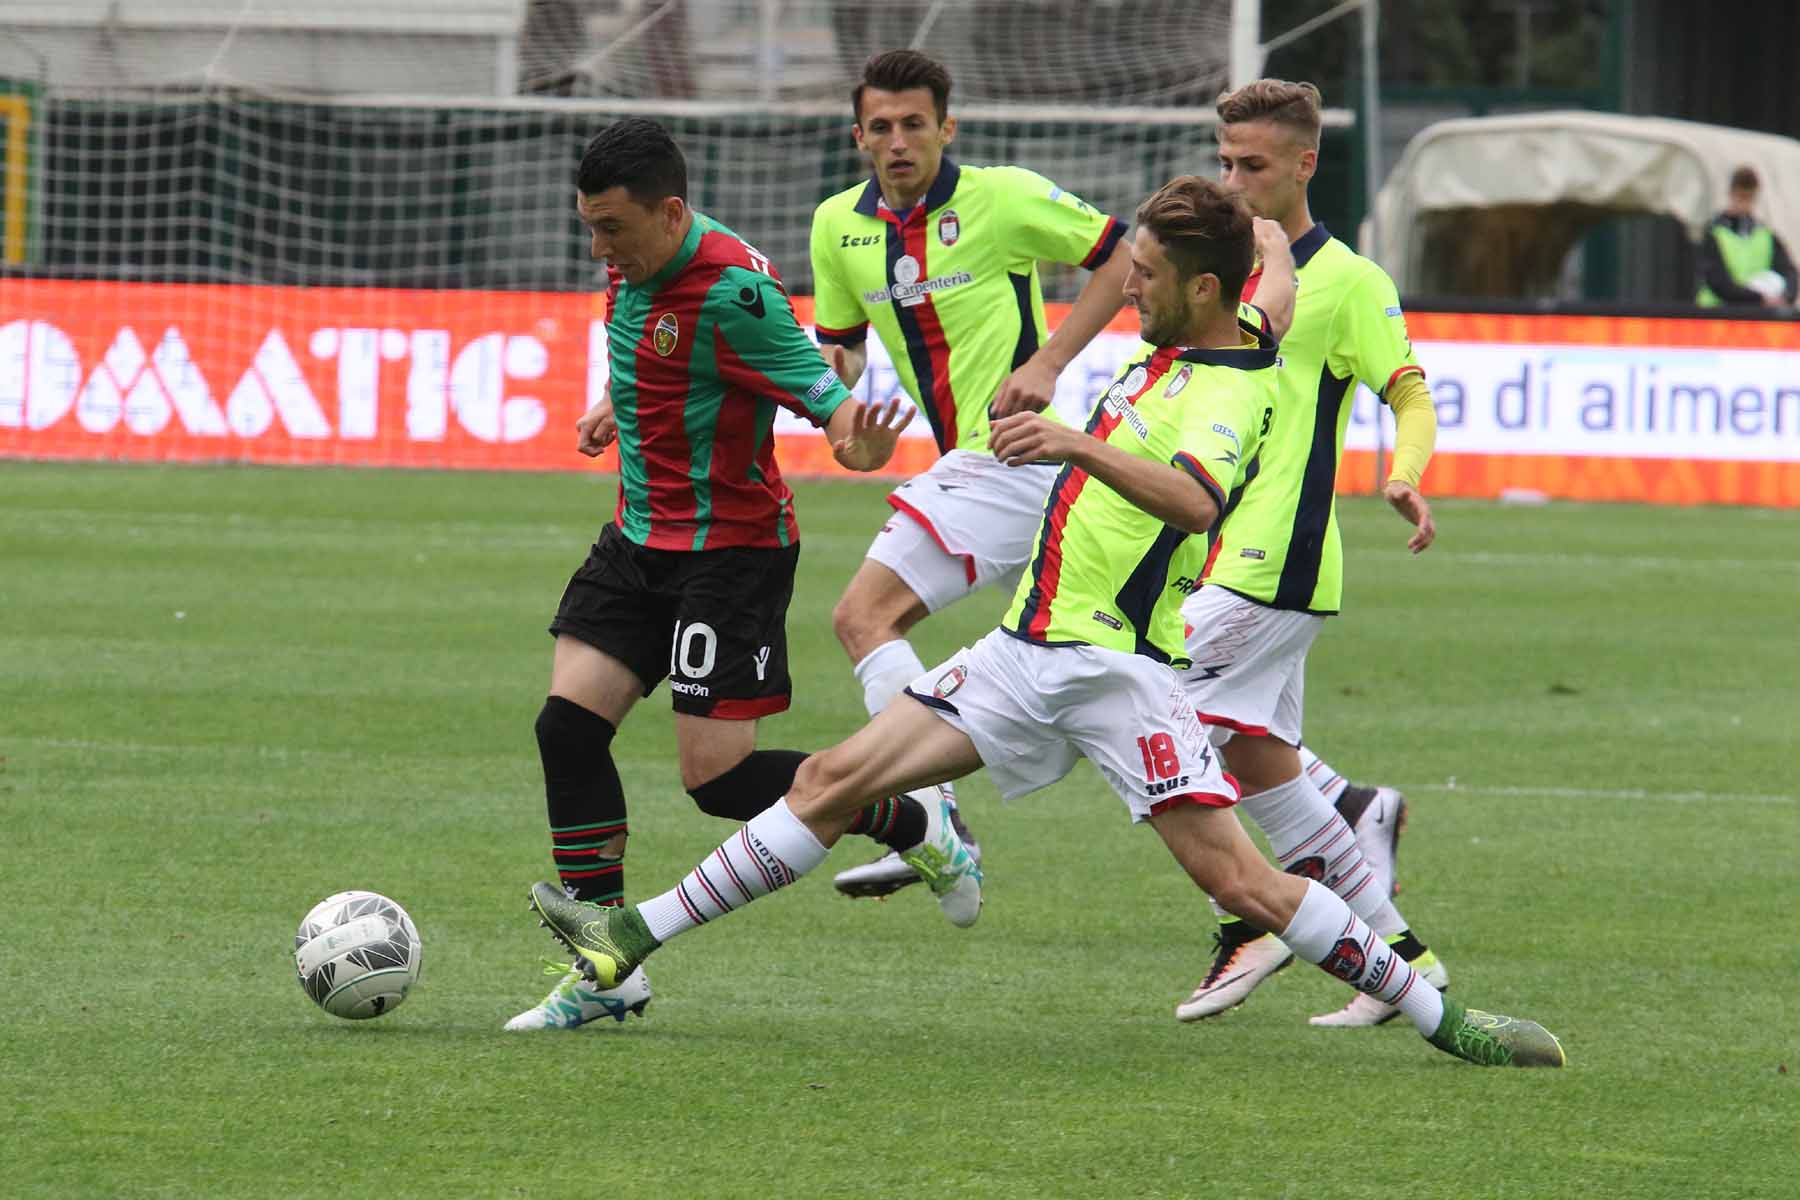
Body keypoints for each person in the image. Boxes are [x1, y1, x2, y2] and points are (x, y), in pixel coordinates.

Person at [527, 176, 1566, 1070]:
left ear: (1201, 289)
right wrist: (1262, 230)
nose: (1128, 285)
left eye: (1146, 275)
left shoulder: (1228, 391)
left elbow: (1194, 500)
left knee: (1243, 881)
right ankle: (626, 938)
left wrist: (1072, 442)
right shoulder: (1226, 321)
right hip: (1024, 652)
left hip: (1117, 672)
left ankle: (1449, 1018)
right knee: (826, 781)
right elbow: (1269, 277)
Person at [505, 117, 922, 1031]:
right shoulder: (635, 259)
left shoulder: (736, 294)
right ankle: (605, 971)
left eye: (611, 228)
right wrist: (616, 404)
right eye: (588, 226)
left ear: (671, 212)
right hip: (638, 541)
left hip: (729, 555)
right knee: (566, 731)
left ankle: (911, 818)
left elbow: (832, 408)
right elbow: (655, 346)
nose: (597, 246)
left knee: (718, 784)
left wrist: (864, 446)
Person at [809, 49, 1135, 898]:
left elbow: (1122, 259)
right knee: (1123, 680)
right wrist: (852, 436)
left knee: (862, 616)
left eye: (915, 124)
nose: (898, 140)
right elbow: (837, 353)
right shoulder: (837, 226)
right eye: (880, 127)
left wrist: (1052, 361)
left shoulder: (1004, 197)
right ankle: (1334, 809)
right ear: (859, 138)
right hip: (980, 471)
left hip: (1017, 455)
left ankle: (933, 812)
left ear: (946, 128)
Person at [1170, 79, 1451, 1028]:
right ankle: (1407, 967)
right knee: (1261, 764)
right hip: (1218, 555)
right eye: (1225, 160)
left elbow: (1409, 393)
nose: (1234, 179)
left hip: (1275, 559)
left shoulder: (1350, 284)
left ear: (1305, 163)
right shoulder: (1219, 273)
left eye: (1252, 164)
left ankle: (1248, 918)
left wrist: (1406, 473)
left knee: (1153, 716)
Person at [1695, 165, 1797, 309]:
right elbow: (1718, 282)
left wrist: (1784, 297)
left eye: (1749, 198)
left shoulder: (1766, 236)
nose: (1744, 204)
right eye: (1741, 197)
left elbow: (1789, 273)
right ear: (1731, 195)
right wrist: (1759, 298)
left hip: (1755, 317)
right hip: (1718, 316)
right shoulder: (1715, 234)